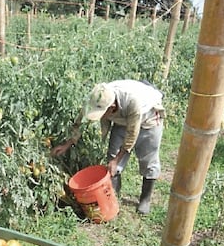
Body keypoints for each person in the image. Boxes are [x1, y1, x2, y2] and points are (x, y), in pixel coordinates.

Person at [53, 80, 165, 214]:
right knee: (112, 160)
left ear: (112, 107)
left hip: (149, 119)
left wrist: (117, 159)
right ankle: (113, 195)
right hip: (122, 120)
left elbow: (132, 134)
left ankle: (145, 200)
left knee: (148, 161)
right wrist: (67, 144)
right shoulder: (98, 97)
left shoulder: (132, 102)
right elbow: (80, 122)